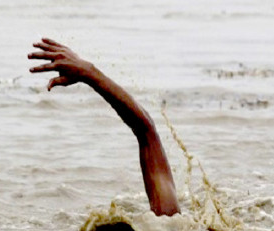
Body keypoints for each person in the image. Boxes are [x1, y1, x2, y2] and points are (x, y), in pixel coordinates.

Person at [28, 38, 180, 217]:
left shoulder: (169, 230)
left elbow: (146, 130)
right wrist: (88, 72)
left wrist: (88, 72)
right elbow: (146, 130)